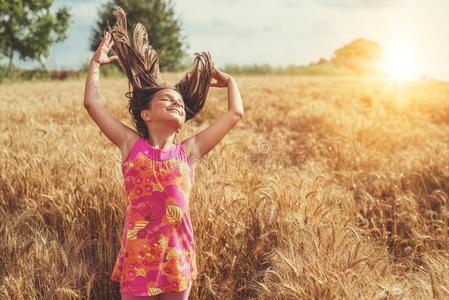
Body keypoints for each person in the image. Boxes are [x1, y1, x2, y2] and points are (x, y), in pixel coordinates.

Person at [83, 6, 244, 300]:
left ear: (183, 123)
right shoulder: (131, 146)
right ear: (146, 114)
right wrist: (95, 65)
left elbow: (235, 114)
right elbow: (92, 104)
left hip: (177, 259)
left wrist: (230, 82)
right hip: (137, 260)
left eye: (181, 104)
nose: (176, 103)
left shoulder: (189, 152)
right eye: (166, 100)